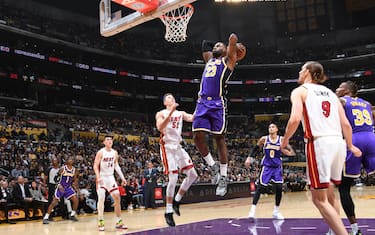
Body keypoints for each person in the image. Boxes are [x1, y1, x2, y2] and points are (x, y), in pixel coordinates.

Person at [281, 61, 362, 235]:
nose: (300, 72)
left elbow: (295, 119)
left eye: (302, 69)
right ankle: (334, 232)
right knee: (330, 192)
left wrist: (285, 140)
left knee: (319, 199)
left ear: (309, 72)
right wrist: (350, 145)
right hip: (338, 143)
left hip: (319, 144)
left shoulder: (300, 91)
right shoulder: (332, 95)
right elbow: (346, 124)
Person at [193, 33, 245, 196]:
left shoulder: (228, 62)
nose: (215, 46)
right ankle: (212, 165)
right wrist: (219, 44)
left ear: (225, 51)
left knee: (219, 139)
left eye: (219, 46)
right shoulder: (209, 59)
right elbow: (204, 43)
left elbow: (232, 41)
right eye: (215, 46)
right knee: (197, 136)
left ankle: (223, 176)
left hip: (217, 104)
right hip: (202, 103)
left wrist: (232, 45)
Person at [335, 81, 375, 235]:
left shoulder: (343, 100)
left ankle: (355, 229)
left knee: (344, 187)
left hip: (355, 139)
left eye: (340, 87)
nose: (337, 89)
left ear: (346, 90)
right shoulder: (366, 103)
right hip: (371, 138)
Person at [156, 93, 198, 227]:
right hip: (167, 147)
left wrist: (201, 103)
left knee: (193, 175)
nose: (171, 98)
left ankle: (177, 201)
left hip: (178, 146)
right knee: (173, 179)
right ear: (164, 102)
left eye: (172, 97)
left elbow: (193, 118)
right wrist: (171, 112)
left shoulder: (180, 113)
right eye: (168, 97)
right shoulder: (161, 113)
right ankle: (168, 212)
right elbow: (160, 127)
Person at [245, 123, 295, 220]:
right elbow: (255, 148)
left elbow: (292, 152)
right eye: (269, 127)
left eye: (273, 127)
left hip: (277, 167)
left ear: (276, 129)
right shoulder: (264, 139)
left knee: (279, 187)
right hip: (267, 167)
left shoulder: (281, 140)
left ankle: (276, 211)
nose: (271, 128)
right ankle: (252, 211)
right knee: (260, 188)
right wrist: (249, 158)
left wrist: (286, 152)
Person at [93, 135, 128, 231]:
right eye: (107, 139)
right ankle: (100, 221)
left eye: (111, 140)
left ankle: (119, 221)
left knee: (117, 197)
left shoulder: (114, 153)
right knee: (101, 198)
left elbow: (116, 165)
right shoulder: (100, 152)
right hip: (102, 177)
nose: (109, 141)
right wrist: (98, 177)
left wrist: (123, 178)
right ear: (104, 142)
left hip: (110, 177)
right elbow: (95, 166)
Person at [42, 156, 79, 224]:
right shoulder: (62, 169)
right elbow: (55, 178)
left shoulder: (75, 170)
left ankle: (72, 215)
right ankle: (46, 217)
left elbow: (75, 180)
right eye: (70, 159)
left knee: (76, 200)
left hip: (68, 188)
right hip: (60, 187)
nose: (71, 160)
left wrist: (75, 187)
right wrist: (59, 185)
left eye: (72, 159)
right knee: (53, 203)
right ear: (67, 161)